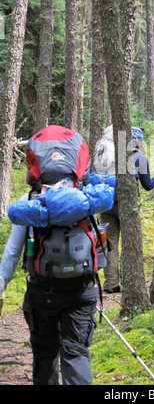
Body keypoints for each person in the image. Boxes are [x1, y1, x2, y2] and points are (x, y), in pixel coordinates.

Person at [0, 126, 102, 385]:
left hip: (42, 294)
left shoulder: (31, 201)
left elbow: (12, 252)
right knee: (76, 354)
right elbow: (96, 243)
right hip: (82, 291)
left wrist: (0, 289)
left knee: (45, 356)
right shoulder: (85, 199)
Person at [98, 127, 154, 294]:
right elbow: (148, 186)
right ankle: (130, 282)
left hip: (105, 203)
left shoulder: (109, 155)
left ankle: (111, 283)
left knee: (109, 243)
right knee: (130, 242)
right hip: (126, 204)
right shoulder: (139, 157)